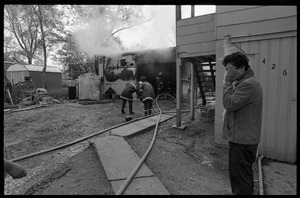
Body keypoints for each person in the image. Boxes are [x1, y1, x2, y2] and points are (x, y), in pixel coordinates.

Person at [222, 51, 263, 195]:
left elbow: (228, 103)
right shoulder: (244, 83)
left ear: (238, 68)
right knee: (243, 176)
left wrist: (227, 82)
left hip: (242, 141)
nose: (227, 73)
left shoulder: (248, 85)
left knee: (240, 181)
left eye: (228, 70)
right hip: (242, 139)